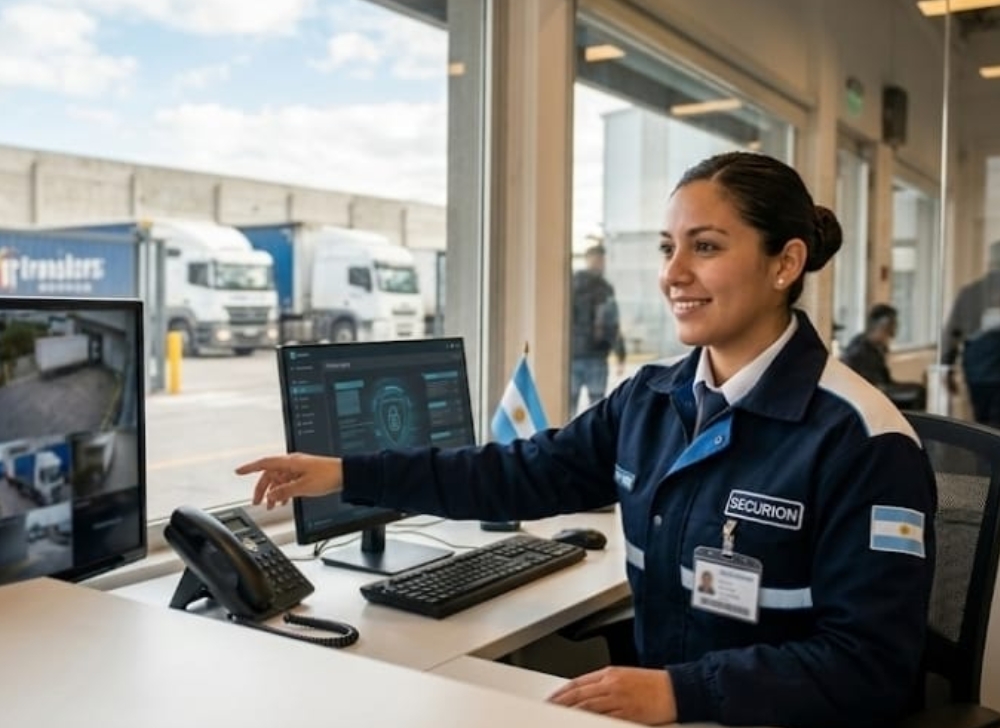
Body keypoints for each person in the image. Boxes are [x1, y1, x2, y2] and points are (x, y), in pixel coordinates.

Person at [236, 151, 936, 728]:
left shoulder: (865, 442)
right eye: (668, 248)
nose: (673, 274)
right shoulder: (650, 400)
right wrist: (347, 473)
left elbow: (871, 667)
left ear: (785, 264)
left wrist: (681, 691)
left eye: (706, 247)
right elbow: (515, 473)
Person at [941, 239, 1000, 428]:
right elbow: (953, 331)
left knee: (984, 424)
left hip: (977, 371)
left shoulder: (970, 293)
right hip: (983, 371)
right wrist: (946, 366)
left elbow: (953, 332)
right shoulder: (972, 293)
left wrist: (947, 365)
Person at [570, 242, 626, 413]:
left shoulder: (603, 288)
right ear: (587, 260)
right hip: (579, 355)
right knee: (582, 406)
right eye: (596, 259)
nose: (599, 263)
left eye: (601, 259)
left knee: (592, 407)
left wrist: (620, 353)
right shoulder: (574, 285)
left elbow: (613, 323)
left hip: (593, 355)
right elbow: (612, 323)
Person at [841, 303, 926, 410]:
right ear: (885, 325)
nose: (896, 327)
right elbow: (870, 385)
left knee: (918, 389)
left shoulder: (875, 346)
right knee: (918, 393)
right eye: (894, 323)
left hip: (878, 389)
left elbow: (885, 380)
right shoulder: (859, 350)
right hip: (868, 395)